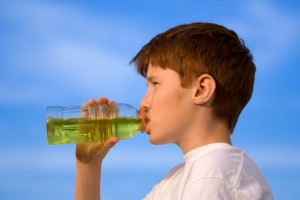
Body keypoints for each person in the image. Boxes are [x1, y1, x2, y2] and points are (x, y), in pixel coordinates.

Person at [74, 22, 274, 200]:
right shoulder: (177, 179)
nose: (143, 103)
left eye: (155, 84)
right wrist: (88, 165)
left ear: (201, 89)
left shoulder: (212, 174)